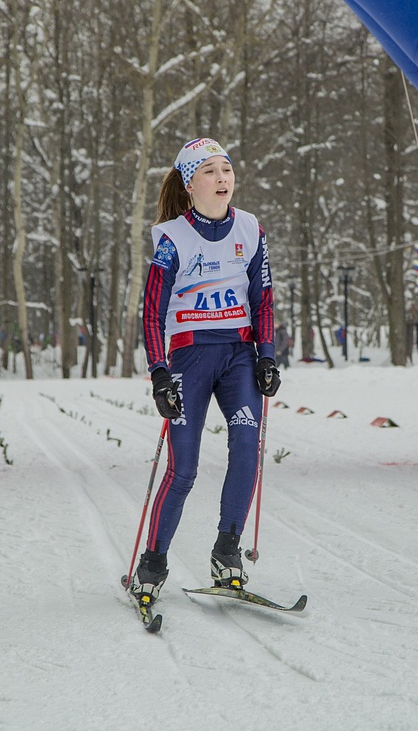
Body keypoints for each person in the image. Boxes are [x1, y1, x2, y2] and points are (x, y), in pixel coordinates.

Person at [133, 137, 279, 605]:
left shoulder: (251, 229)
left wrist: (267, 355)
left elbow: (263, 298)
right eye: (211, 172)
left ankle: (226, 551)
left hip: (238, 356)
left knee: (246, 448)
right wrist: (159, 373)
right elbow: (152, 312)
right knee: (185, 469)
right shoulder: (172, 238)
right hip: (189, 358)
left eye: (227, 170)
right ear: (190, 184)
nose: (223, 179)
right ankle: (152, 564)